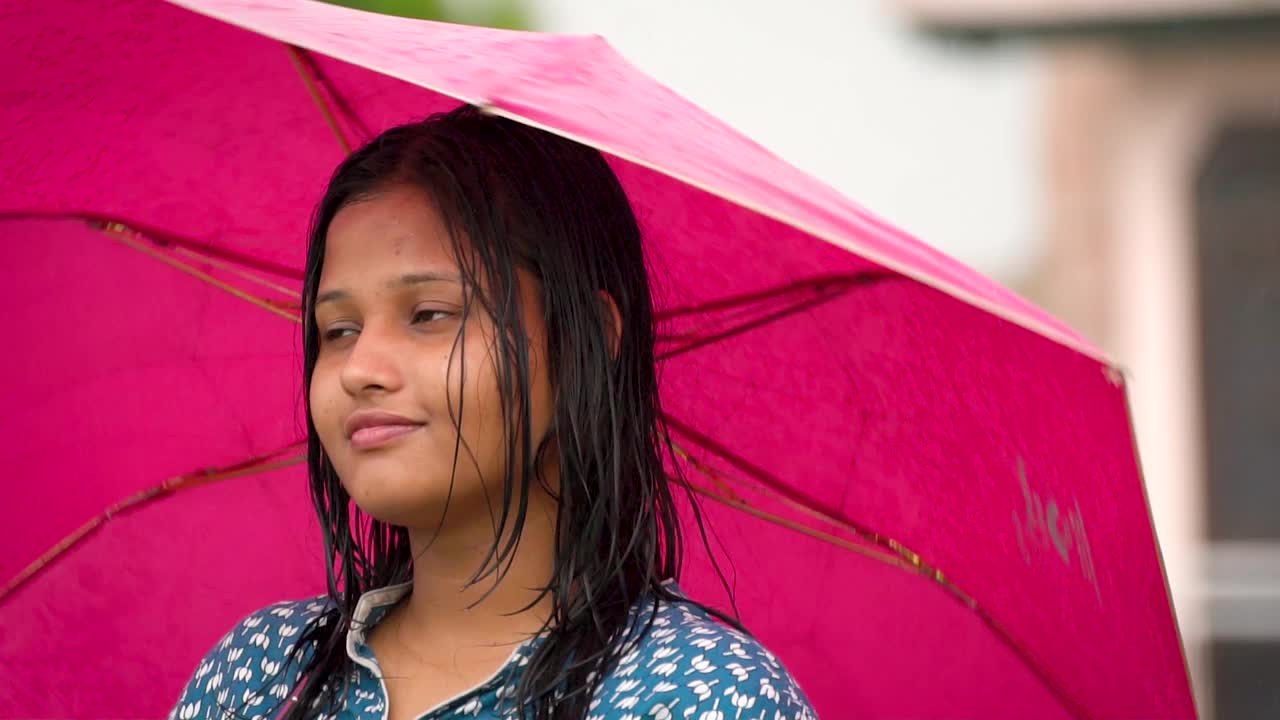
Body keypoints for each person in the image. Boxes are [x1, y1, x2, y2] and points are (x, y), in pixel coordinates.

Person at [169, 106, 817, 720]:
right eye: (338, 330)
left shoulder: (697, 695)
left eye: (429, 315)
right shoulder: (264, 674)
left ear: (581, 338)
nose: (362, 368)